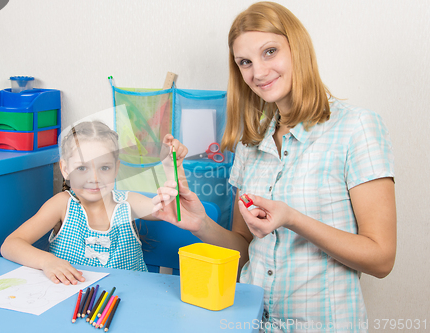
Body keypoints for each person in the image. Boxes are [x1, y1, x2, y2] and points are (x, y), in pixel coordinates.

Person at [152, 2, 396, 332]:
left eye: (270, 51)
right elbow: (245, 248)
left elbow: (381, 259)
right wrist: (200, 224)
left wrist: (292, 218)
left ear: (298, 47)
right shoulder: (250, 145)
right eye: (245, 62)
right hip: (251, 323)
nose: (258, 72)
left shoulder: (357, 128)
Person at [1, 120, 187, 285]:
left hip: (131, 302)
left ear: (116, 168)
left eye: (104, 167)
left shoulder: (129, 202)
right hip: (72, 302)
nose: (94, 178)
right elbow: (10, 245)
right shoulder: (61, 205)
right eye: (82, 168)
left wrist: (173, 168)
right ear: (65, 169)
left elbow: (174, 208)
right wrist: (46, 261)